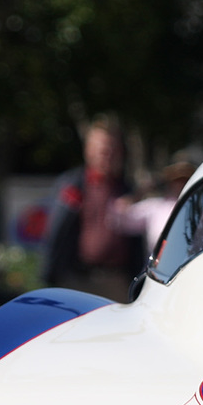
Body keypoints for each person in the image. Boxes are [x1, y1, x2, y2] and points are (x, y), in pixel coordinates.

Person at [42, 117, 142, 302]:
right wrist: (50, 274)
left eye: (112, 148)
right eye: (102, 148)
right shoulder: (73, 184)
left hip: (116, 281)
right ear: (88, 150)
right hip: (77, 279)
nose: (107, 154)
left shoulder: (127, 189)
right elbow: (56, 230)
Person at [113, 152, 197, 254]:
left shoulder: (201, 208)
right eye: (177, 180)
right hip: (158, 266)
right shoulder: (155, 207)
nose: (180, 184)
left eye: (185, 179)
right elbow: (120, 219)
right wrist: (140, 192)